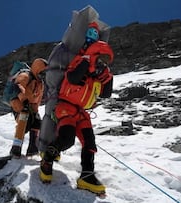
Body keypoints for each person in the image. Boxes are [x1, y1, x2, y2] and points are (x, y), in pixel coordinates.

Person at [39, 22, 114, 195]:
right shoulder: (81, 60)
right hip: (65, 106)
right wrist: (88, 62)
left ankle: (86, 176)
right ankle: (47, 161)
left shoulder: (100, 73)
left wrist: (107, 78)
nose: (102, 62)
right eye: (100, 58)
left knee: (90, 142)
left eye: (104, 60)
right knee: (67, 139)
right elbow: (72, 78)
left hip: (82, 111)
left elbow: (106, 95)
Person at [9, 58, 47, 158]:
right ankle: (16, 148)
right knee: (24, 120)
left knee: (37, 123)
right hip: (19, 103)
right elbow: (18, 86)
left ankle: (33, 148)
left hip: (32, 107)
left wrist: (35, 110)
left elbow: (38, 98)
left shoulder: (41, 83)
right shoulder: (25, 75)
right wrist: (23, 97)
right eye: (42, 70)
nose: (43, 73)